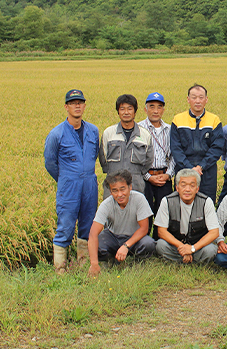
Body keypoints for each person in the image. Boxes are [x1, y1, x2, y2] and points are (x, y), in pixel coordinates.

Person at [44, 89, 99, 273]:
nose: (77, 105)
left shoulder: (93, 130)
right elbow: (50, 163)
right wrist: (66, 179)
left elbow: (95, 155)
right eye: (73, 103)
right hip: (68, 186)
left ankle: (83, 265)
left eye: (80, 102)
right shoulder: (56, 134)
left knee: (88, 225)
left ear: (84, 105)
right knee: (66, 226)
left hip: (89, 185)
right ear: (66, 106)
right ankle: (60, 270)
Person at [87, 171, 156, 277]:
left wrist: (126, 246)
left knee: (148, 244)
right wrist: (94, 264)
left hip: (134, 238)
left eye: (122, 189)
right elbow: (93, 233)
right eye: (114, 191)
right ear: (110, 192)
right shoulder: (106, 204)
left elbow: (144, 228)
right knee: (98, 243)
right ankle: (110, 260)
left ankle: (138, 262)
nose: (119, 194)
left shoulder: (139, 199)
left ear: (130, 187)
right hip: (113, 236)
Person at [170, 84, 225, 202]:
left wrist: (201, 167)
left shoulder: (214, 120)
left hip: (207, 171)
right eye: (194, 97)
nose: (197, 101)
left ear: (206, 100)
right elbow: (176, 148)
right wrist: (190, 168)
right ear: (188, 99)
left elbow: (217, 148)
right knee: (182, 205)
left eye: (201, 97)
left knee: (206, 204)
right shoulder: (178, 120)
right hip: (183, 170)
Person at [154, 169, 219, 264]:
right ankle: (191, 260)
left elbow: (214, 232)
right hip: (177, 246)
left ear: (197, 189)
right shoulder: (167, 201)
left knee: (211, 250)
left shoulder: (206, 201)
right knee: (160, 245)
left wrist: (192, 249)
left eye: (192, 186)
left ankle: (180, 260)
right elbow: (161, 231)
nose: (187, 189)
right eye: (183, 185)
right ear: (177, 188)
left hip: (197, 246)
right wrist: (182, 247)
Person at [99, 94, 153, 200]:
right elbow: (103, 159)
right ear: (118, 112)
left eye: (130, 109)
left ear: (135, 112)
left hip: (136, 186)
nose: (126, 112)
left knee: (135, 215)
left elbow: (148, 161)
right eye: (122, 109)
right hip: (112, 186)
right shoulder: (109, 133)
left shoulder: (144, 134)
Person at [138, 92, 175, 239]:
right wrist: (148, 177)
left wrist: (168, 175)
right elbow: (136, 158)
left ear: (163, 110)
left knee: (164, 211)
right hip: (145, 178)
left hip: (164, 176)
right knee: (145, 211)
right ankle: (144, 242)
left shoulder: (170, 129)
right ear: (145, 109)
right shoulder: (138, 128)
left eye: (159, 107)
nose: (155, 110)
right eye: (151, 107)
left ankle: (160, 241)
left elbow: (174, 155)